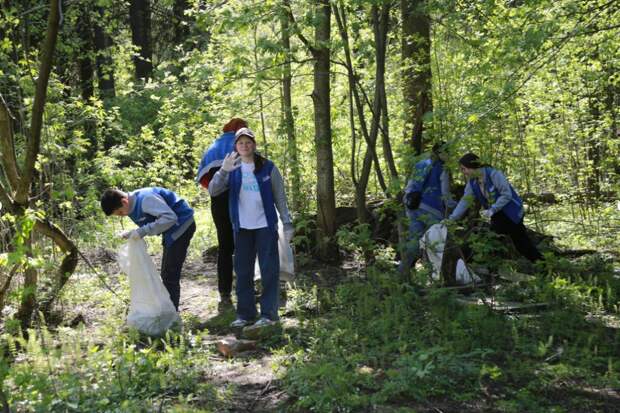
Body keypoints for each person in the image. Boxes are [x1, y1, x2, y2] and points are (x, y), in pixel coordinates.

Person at [208, 127, 294, 328]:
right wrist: (223, 171)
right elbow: (213, 190)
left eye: (248, 143)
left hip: (265, 226)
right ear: (236, 147)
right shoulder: (232, 168)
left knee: (269, 270)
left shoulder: (268, 167)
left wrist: (287, 222)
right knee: (243, 271)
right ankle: (245, 315)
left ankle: (269, 315)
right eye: (240, 143)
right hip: (242, 228)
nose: (245, 146)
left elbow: (280, 197)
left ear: (254, 145)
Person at [101, 187, 196, 310]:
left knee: (170, 273)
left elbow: (170, 218)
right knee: (167, 272)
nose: (122, 215)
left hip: (182, 225)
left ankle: (171, 315)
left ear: (124, 201)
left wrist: (142, 231)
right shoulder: (131, 204)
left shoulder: (146, 199)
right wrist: (133, 233)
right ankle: (169, 310)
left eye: (120, 212)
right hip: (171, 230)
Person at [448, 153, 542, 262]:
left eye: (464, 169)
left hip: (511, 212)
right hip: (497, 214)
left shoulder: (494, 174)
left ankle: (543, 264)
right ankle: (491, 266)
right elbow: (465, 201)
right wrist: (452, 219)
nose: (463, 172)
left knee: (520, 243)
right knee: (493, 239)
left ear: (472, 166)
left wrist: (493, 209)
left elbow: (507, 195)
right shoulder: (473, 182)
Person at [196, 118, 248, 307]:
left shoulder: (213, 147)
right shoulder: (243, 144)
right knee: (246, 242)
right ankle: (246, 287)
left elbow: (203, 179)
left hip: (218, 201)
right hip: (242, 199)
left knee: (225, 247)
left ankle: (224, 292)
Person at [400, 142, 456, 274]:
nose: (449, 156)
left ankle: (402, 272)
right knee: (437, 241)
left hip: (411, 207)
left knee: (414, 241)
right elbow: (445, 195)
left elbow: (409, 186)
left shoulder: (420, 164)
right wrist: (457, 205)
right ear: (441, 153)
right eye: (448, 153)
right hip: (431, 208)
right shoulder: (443, 168)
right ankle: (437, 275)